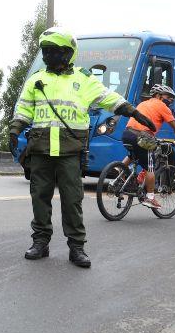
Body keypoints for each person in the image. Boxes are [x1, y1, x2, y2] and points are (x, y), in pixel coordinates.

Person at [9, 27, 156, 268]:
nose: (49, 56)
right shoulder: (36, 80)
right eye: (46, 51)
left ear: (68, 53)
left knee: (72, 200)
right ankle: (40, 243)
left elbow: (109, 98)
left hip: (70, 150)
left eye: (54, 51)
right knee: (39, 198)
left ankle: (77, 247)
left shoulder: (83, 79)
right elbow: (24, 109)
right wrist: (15, 129)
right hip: (41, 149)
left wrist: (135, 112)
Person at [120, 84, 175, 208]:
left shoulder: (143, 103)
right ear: (158, 96)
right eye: (169, 96)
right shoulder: (162, 106)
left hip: (127, 134)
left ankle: (119, 172)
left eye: (173, 98)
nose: (171, 100)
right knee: (151, 166)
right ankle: (150, 197)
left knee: (133, 155)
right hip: (143, 136)